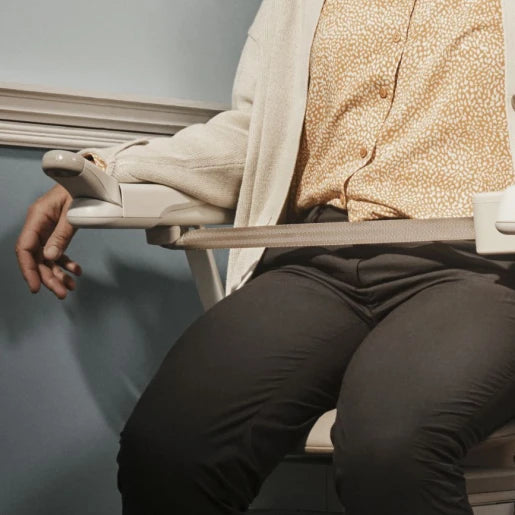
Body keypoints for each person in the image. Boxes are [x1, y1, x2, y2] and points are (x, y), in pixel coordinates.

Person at [15, 1, 515, 514]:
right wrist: (109, 172)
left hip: (480, 268)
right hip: (317, 261)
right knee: (168, 450)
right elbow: (256, 133)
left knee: (389, 450)